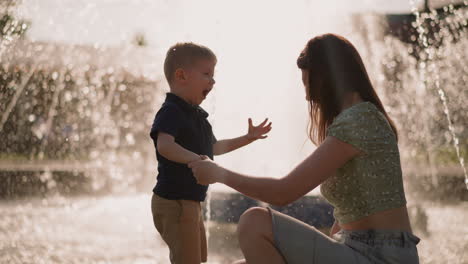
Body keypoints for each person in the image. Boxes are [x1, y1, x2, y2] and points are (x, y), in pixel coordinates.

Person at [189, 34, 420, 264]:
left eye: (311, 88)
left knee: (254, 222)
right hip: (357, 248)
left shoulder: (359, 120)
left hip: (382, 256)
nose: (310, 98)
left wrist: (218, 173)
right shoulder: (360, 117)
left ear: (325, 78)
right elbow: (351, 211)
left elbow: (283, 193)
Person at [149, 42, 272, 264]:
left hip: (190, 202)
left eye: (213, 75)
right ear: (181, 76)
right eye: (206, 74)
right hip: (175, 202)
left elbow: (212, 149)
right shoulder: (172, 111)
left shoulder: (197, 116)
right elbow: (164, 146)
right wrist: (196, 159)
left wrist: (246, 139)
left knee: (196, 259)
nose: (213, 81)